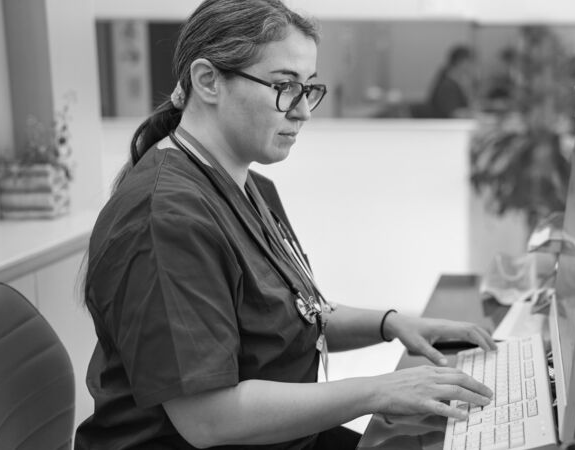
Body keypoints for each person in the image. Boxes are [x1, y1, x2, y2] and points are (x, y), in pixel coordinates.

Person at [75, 1, 495, 448]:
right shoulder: (164, 219)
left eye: (308, 89)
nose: (302, 111)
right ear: (207, 80)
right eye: (283, 86)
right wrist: (379, 390)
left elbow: (291, 313)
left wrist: (392, 324)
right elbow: (208, 418)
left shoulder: (248, 184)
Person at [422, 45, 477, 118]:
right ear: (462, 62)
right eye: (471, 62)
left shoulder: (455, 82)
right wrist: (477, 115)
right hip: (445, 126)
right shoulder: (447, 85)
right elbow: (454, 113)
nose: (474, 66)